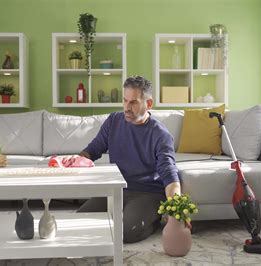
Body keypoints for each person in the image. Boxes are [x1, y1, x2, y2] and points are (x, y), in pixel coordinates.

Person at [68, 75, 187, 243]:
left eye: (134, 102)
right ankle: (122, 215)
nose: (127, 108)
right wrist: (75, 161)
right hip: (116, 189)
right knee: (79, 222)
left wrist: (177, 211)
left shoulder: (160, 134)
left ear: (149, 104)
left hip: (147, 193)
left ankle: (155, 220)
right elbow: (92, 150)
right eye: (125, 101)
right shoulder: (113, 121)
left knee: (126, 233)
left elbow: (169, 173)